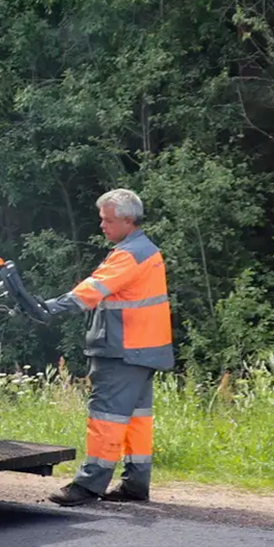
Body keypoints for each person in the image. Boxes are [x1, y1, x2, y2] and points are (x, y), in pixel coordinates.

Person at [20, 188, 173, 505]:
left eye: (107, 220)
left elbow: (91, 290)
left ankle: (89, 486)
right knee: (136, 420)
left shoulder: (129, 255)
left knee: (106, 417)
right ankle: (135, 485)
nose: (102, 226)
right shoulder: (145, 250)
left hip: (122, 351)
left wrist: (48, 308)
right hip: (145, 350)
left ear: (128, 221)